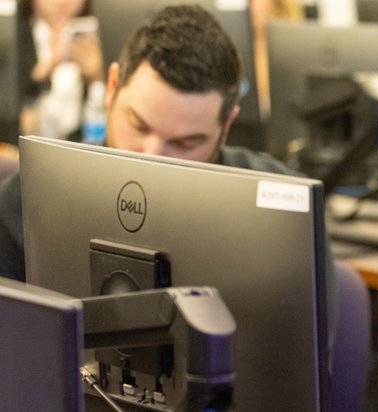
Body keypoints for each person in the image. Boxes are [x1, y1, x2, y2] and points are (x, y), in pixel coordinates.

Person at [0, 5, 300, 281]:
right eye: (139, 125)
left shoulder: (282, 222)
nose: (153, 155)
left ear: (225, 127)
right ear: (113, 87)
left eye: (185, 143)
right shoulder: (26, 202)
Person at [18, 0, 104, 139]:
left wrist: (99, 79)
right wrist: (45, 69)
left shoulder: (96, 35)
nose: (63, 2)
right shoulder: (14, 33)